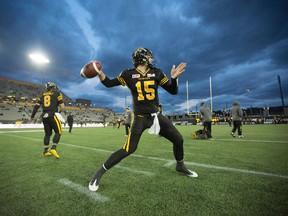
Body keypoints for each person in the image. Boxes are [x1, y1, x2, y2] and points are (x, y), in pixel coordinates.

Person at [89, 47, 198, 192]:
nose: (151, 58)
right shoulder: (128, 74)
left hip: (155, 117)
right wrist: (99, 72)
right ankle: (98, 174)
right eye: (149, 56)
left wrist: (174, 78)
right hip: (139, 118)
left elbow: (173, 91)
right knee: (128, 149)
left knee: (178, 139)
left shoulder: (157, 72)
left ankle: (180, 165)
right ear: (142, 58)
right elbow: (109, 83)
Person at [30, 82, 65, 158]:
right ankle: (53, 148)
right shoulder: (57, 93)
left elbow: (36, 107)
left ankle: (45, 151)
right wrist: (59, 112)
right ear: (54, 88)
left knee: (47, 134)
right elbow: (62, 107)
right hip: (53, 114)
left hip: (44, 116)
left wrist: (32, 116)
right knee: (58, 131)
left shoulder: (41, 95)